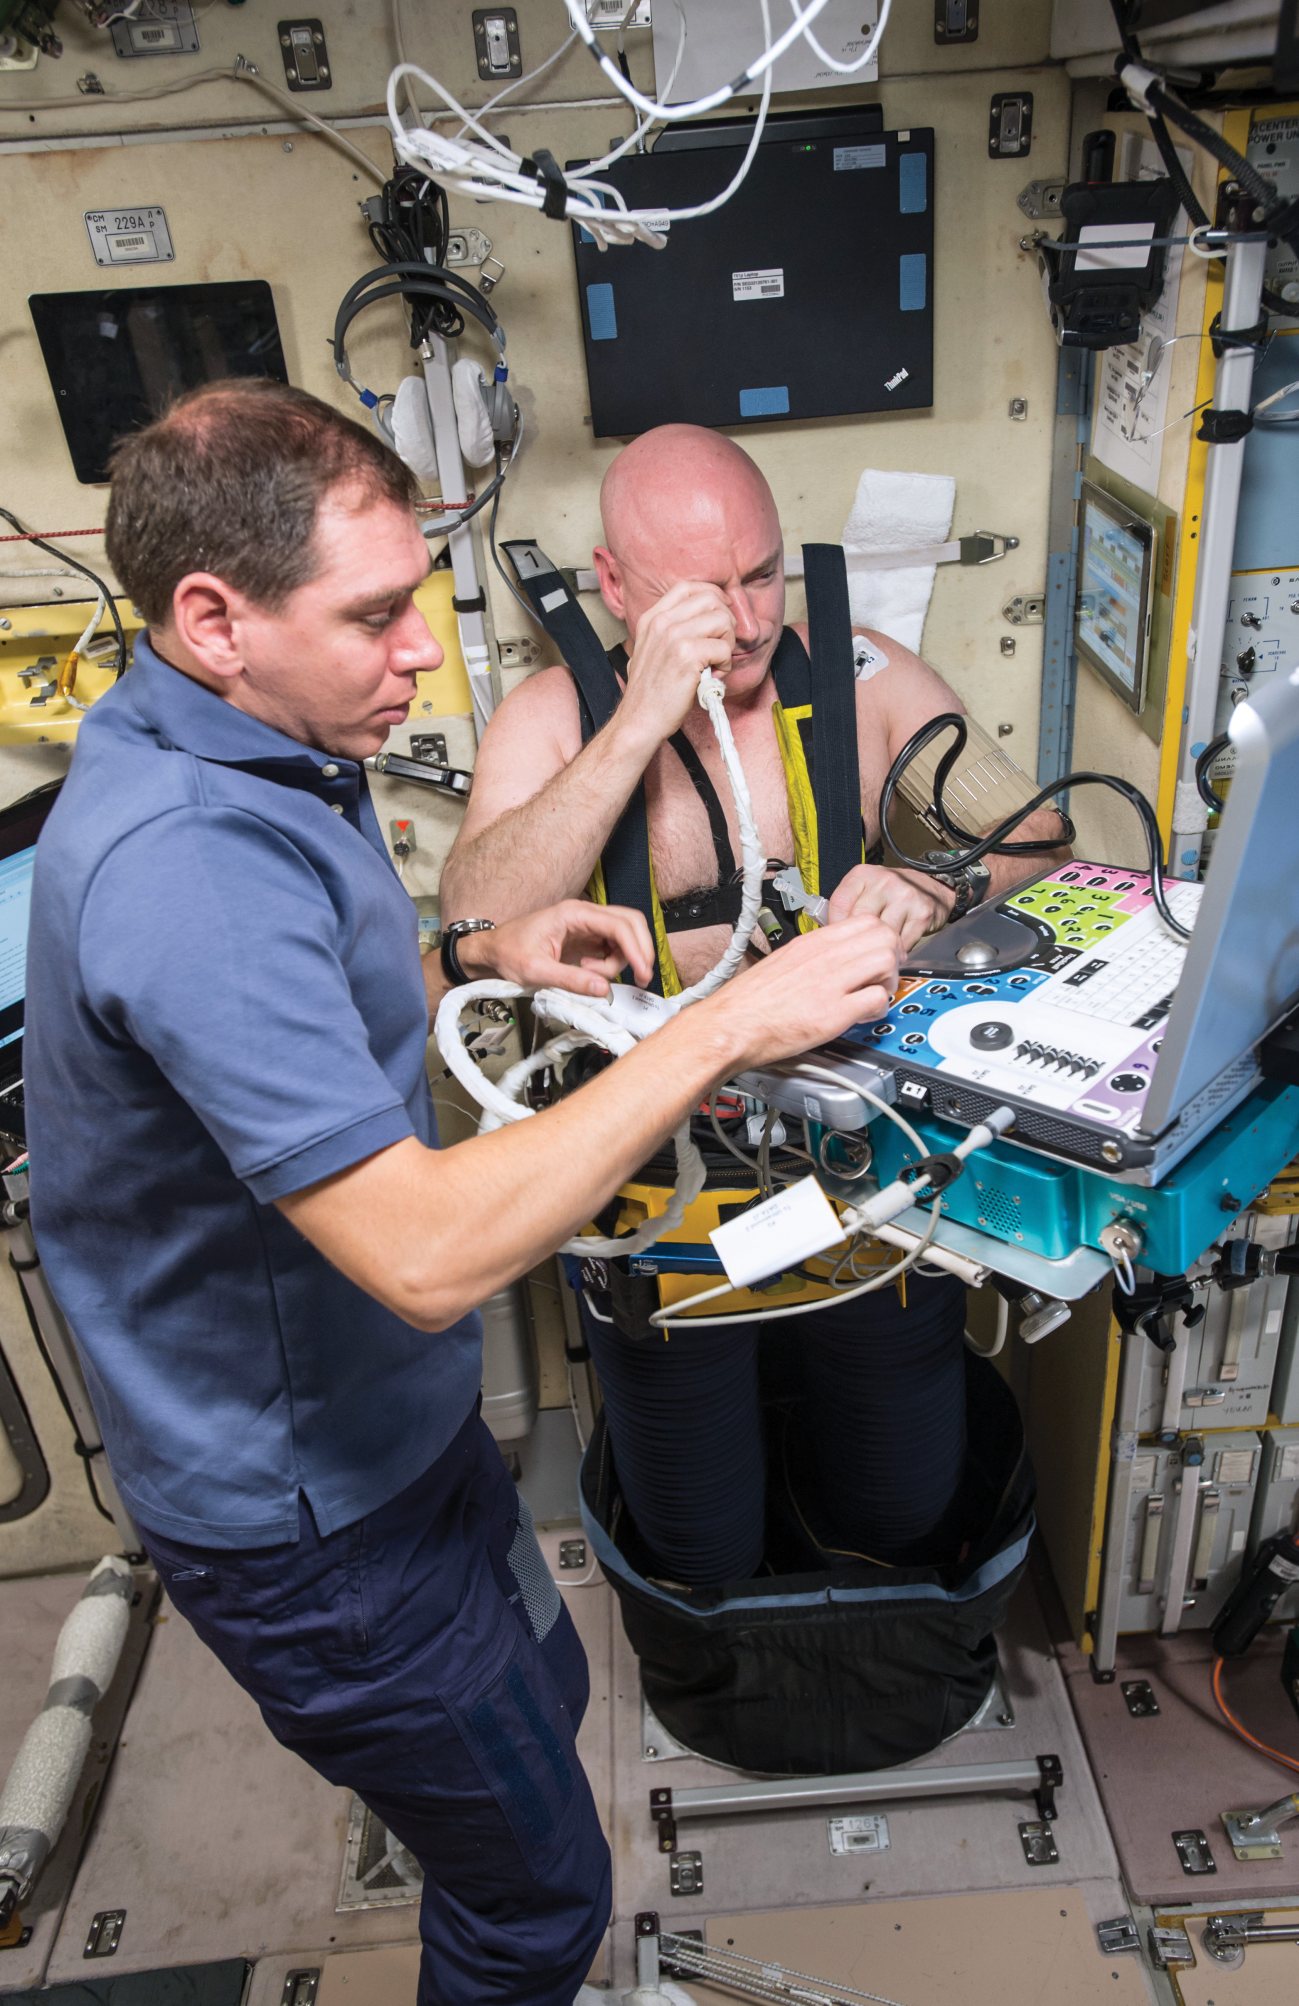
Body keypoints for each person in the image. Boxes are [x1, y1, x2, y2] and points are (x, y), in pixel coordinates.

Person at [21, 379, 901, 2006]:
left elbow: (299, 993)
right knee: (533, 1900)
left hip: (396, 1443)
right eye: (371, 616)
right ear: (212, 618)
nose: (419, 647)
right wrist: (722, 1024)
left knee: (546, 1685)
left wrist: (470, 950)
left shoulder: (246, 745)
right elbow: (423, 1254)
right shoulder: (182, 868)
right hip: (314, 1524)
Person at [442, 424, 1069, 1588]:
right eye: (697, 594)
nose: (740, 622)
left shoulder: (862, 675)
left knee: (902, 1499)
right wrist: (637, 719)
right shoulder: (555, 718)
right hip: (659, 1201)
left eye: (760, 575)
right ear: (616, 586)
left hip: (865, 1173)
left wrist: (936, 882)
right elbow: (473, 919)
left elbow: (1040, 837)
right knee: (699, 1533)